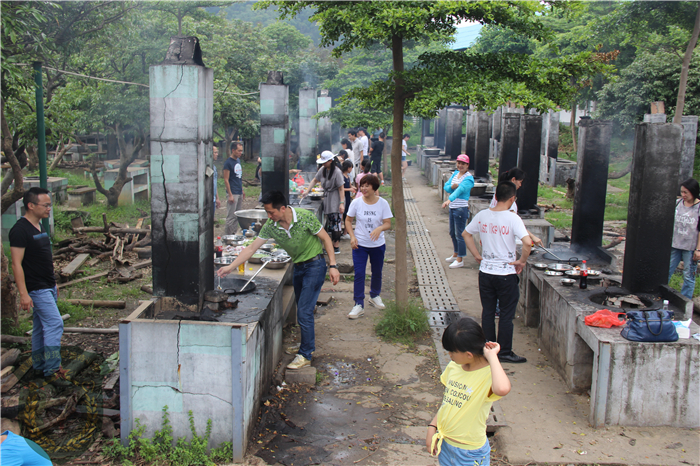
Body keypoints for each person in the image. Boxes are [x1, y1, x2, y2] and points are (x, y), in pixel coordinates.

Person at [217, 191, 340, 369]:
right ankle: (304, 346)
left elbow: (326, 238)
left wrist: (333, 266)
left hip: (315, 265)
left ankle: (306, 354)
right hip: (298, 267)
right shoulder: (271, 226)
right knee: (302, 308)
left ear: (283, 208)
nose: (269, 216)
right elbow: (251, 248)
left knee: (304, 311)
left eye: (271, 212)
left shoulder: (305, 217)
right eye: (267, 212)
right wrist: (230, 267)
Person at [463, 181, 533, 364]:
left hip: (486, 272)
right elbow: (527, 243)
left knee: (487, 312)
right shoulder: (513, 218)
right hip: (506, 273)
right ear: (512, 198)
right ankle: (505, 352)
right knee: (506, 315)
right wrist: (522, 261)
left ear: (495, 197)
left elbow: (466, 234)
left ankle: (488, 348)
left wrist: (477, 255)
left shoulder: (482, 215)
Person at [426, 318, 511, 465]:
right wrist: (433, 426)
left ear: (469, 355)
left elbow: (502, 389)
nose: (450, 355)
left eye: (452, 352)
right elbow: (449, 403)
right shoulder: (454, 367)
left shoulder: (489, 375)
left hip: (470, 453)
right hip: (446, 445)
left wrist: (492, 357)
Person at [9, 188, 64, 378]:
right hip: (36, 288)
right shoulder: (19, 230)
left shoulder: (40, 226)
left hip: (47, 285)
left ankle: (40, 366)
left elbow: (43, 258)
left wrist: (53, 283)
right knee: (55, 324)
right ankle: (52, 369)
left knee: (41, 326)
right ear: (31, 206)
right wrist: (23, 293)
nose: (49, 208)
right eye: (46, 205)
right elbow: (16, 264)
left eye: (50, 204)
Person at [345, 174, 393, 319]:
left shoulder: (383, 203)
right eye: (362, 185)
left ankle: (375, 295)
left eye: (367, 186)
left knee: (377, 271)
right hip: (360, 244)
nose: (364, 188)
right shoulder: (356, 202)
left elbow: (388, 223)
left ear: (374, 187)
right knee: (359, 273)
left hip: (378, 245)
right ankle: (358, 304)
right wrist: (352, 236)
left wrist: (379, 228)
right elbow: (348, 221)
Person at [302, 151, 345, 254]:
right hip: (328, 197)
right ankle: (331, 245)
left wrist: (341, 203)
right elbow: (314, 180)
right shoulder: (323, 170)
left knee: (336, 222)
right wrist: (307, 191)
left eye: (325, 162)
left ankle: (336, 247)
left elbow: (341, 188)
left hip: (336, 198)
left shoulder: (337, 172)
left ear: (330, 161)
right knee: (331, 222)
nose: (323, 164)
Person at [490, 168, 543, 247]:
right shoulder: (508, 200)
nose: (520, 185)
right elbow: (516, 222)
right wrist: (532, 237)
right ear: (513, 179)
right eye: (520, 182)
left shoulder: (498, 194)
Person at [442, 154, 474, 269]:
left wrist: (448, 200)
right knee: (452, 232)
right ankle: (455, 253)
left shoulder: (469, 179)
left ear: (467, 165)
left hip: (461, 208)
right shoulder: (455, 174)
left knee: (460, 234)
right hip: (453, 208)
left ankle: (460, 259)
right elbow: (447, 186)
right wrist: (452, 186)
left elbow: (460, 190)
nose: (460, 166)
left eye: (463, 164)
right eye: (459, 163)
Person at [669, 178, 700, 299]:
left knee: (688, 275)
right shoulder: (677, 203)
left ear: (694, 191)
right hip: (675, 244)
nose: (683, 195)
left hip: (690, 247)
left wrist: (698, 249)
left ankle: (685, 300)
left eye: (686, 192)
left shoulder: (698, 207)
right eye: (682, 192)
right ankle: (662, 296)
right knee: (667, 271)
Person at [223, 142, 245, 235]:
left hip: (239, 191)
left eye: (241, 151)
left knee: (237, 216)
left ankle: (233, 234)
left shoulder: (238, 161)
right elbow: (226, 180)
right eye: (239, 150)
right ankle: (227, 236)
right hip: (233, 192)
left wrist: (242, 190)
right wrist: (230, 195)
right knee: (231, 217)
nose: (241, 153)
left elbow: (239, 177)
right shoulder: (228, 163)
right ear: (233, 150)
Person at [340, 159, 355, 240]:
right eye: (351, 168)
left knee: (347, 214)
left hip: (348, 197)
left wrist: (353, 188)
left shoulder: (348, 177)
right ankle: (341, 232)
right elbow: (341, 189)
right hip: (343, 197)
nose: (351, 169)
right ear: (348, 168)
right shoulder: (341, 176)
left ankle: (345, 232)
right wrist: (350, 189)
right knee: (343, 215)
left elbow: (349, 186)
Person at [212, 146, 221, 212]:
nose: (217, 154)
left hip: (214, 199)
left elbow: (214, 183)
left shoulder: (214, 167)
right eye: (215, 152)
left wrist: (217, 198)